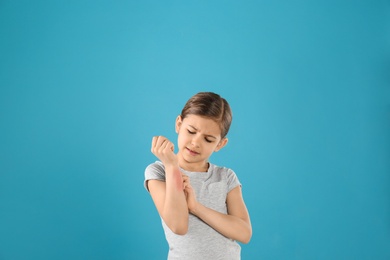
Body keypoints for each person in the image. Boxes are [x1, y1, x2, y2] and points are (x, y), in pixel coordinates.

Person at [144, 92, 252, 260]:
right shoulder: (159, 172)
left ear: (220, 144)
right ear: (179, 124)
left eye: (208, 139)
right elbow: (178, 225)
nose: (196, 142)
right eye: (191, 131)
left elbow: (244, 233)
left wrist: (196, 207)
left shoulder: (226, 177)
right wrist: (172, 166)